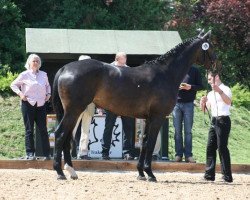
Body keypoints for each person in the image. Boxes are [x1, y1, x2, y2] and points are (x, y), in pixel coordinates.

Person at [10, 54, 51, 160]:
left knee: (43, 129)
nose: (36, 63)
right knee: (29, 130)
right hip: (28, 104)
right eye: (34, 61)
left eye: (37, 61)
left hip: (41, 104)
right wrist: (20, 94)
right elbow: (13, 85)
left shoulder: (44, 74)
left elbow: (47, 86)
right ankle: (30, 153)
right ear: (29, 62)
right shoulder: (24, 74)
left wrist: (48, 94)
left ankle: (47, 154)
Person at [200, 70, 233, 183]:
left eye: (210, 79)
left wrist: (220, 91)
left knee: (222, 147)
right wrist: (202, 102)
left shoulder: (226, 89)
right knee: (210, 147)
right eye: (208, 80)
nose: (209, 82)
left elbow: (229, 102)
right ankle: (209, 175)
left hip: (223, 120)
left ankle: (227, 176)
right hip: (214, 120)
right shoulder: (210, 93)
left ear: (217, 77)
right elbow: (205, 109)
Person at [102, 52, 135, 160]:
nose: (125, 58)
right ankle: (105, 152)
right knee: (108, 128)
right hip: (112, 104)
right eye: (123, 57)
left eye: (125, 57)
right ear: (117, 59)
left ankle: (127, 153)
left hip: (126, 104)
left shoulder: (129, 70)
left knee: (128, 128)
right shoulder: (108, 69)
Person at [173, 65, 203, 163]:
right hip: (176, 104)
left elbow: (201, 86)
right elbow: (169, 84)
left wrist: (190, 87)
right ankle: (178, 154)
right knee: (177, 131)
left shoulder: (195, 70)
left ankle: (188, 155)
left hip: (189, 104)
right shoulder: (177, 68)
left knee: (188, 132)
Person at [72, 55, 95, 160]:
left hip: (89, 106)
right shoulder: (73, 75)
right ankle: (66, 152)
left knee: (86, 130)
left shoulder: (94, 77)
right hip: (76, 106)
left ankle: (83, 152)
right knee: (71, 129)